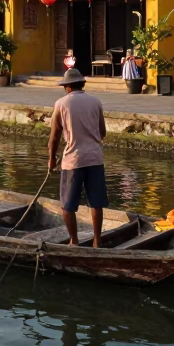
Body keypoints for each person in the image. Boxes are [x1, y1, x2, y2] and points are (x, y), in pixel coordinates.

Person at [47, 68, 108, 248]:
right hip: (95, 158)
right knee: (96, 203)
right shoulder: (95, 102)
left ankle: (74, 241)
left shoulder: (61, 104)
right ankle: (97, 241)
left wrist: (51, 159)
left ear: (67, 87)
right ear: (82, 84)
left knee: (67, 205)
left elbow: (54, 137)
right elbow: (102, 132)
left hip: (73, 160)